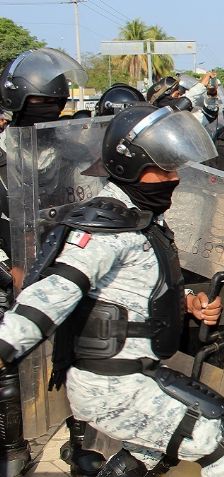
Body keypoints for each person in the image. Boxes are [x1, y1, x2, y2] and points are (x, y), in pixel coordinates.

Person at [0, 104, 224, 476]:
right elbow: (52, 293)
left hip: (135, 375)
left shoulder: (140, 217)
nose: (174, 178)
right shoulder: (104, 228)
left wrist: (188, 302)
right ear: (130, 167)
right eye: (164, 169)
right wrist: (6, 344)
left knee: (147, 456)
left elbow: (133, 290)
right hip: (112, 386)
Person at [0, 47, 87, 474]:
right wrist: (12, 268)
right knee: (9, 366)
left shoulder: (67, 149)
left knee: (74, 352)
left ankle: (78, 436)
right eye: (38, 104)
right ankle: (14, 447)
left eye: (54, 103)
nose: (47, 112)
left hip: (62, 263)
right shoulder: (2, 150)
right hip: (7, 266)